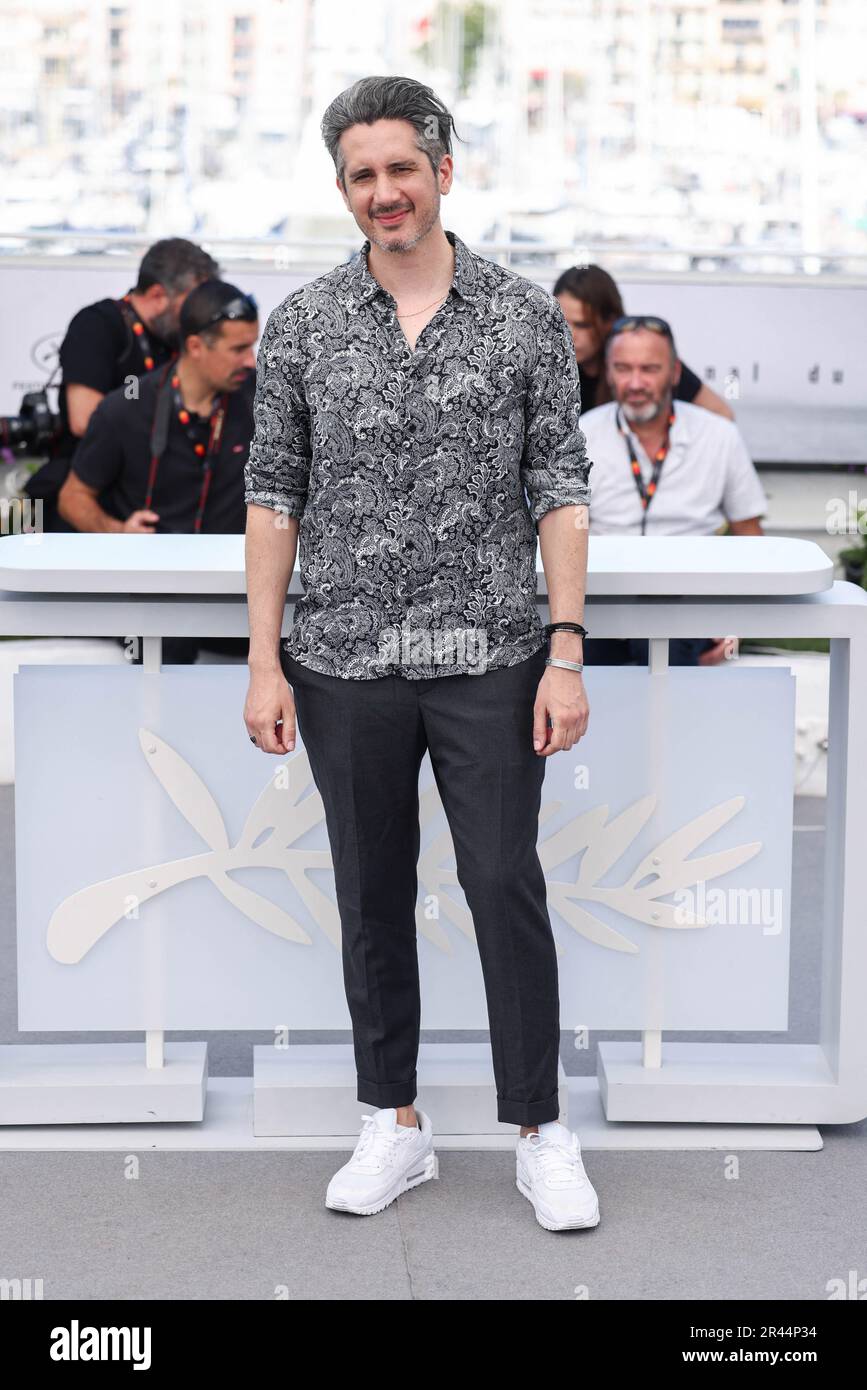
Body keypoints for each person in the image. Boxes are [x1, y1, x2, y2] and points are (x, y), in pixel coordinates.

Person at [243, 74, 601, 1232]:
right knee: (370, 892)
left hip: (494, 649)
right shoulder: (300, 326)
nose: (384, 192)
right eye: (362, 174)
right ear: (343, 188)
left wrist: (565, 649)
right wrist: (263, 659)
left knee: (502, 881)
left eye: (402, 167)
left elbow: (559, 484)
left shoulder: (522, 315)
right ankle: (391, 1122)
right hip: (341, 656)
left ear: (445, 169)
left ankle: (541, 1131)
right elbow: (272, 497)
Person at [58, 278, 259, 664]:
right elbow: (72, 497)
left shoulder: (264, 403)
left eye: (251, 346)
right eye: (238, 349)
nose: (250, 360)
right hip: (155, 598)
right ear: (196, 346)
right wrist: (120, 532)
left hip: (240, 594)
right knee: (169, 642)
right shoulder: (126, 408)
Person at [579, 314, 767, 667]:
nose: (635, 383)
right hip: (600, 607)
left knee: (672, 653)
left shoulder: (718, 436)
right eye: (623, 368)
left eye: (649, 369)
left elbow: (750, 535)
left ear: (675, 374)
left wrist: (736, 624)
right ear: (608, 372)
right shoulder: (581, 436)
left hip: (687, 606)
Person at [25, 237, 220, 531]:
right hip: (89, 492)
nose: (199, 314)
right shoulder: (99, 324)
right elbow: (83, 419)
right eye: (192, 302)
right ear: (157, 295)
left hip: (152, 495)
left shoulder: (179, 340)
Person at [553, 263, 734, 420]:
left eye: (582, 325)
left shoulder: (641, 356)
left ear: (610, 321)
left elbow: (722, 414)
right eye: (561, 322)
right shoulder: (545, 365)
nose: (568, 335)